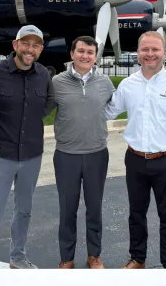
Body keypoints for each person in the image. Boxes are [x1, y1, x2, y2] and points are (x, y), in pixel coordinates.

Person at [104, 31, 166, 269]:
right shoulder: (127, 85)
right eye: (145, 49)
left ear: (164, 52)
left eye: (155, 49)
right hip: (134, 159)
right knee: (136, 213)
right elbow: (108, 112)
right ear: (138, 53)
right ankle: (138, 259)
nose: (150, 54)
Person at [0, 25, 56, 269]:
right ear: (15, 45)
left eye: (35, 45)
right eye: (26, 43)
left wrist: (34, 117)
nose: (30, 50)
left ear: (41, 49)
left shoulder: (43, 74)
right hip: (2, 155)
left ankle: (17, 258)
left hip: (32, 154)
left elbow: (51, 100)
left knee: (24, 210)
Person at [51, 36, 115, 269]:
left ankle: (94, 255)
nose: (85, 56)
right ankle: (66, 257)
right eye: (81, 51)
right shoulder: (57, 82)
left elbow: (113, 108)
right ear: (72, 54)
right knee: (67, 209)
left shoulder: (105, 82)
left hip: (97, 154)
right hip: (66, 155)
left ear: (95, 56)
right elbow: (44, 108)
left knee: (94, 207)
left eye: (90, 52)